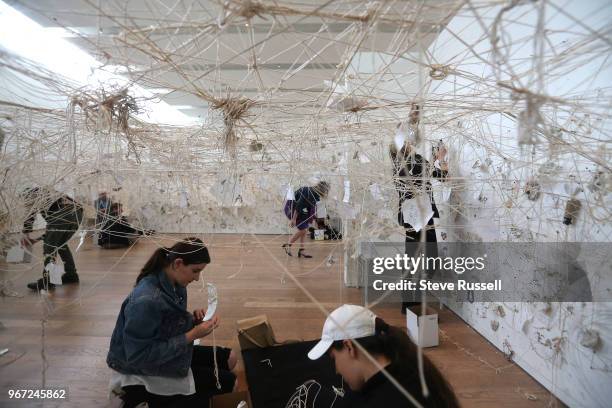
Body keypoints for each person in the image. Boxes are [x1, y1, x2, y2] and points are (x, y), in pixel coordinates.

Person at [106, 237, 237, 408]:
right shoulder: (145, 301)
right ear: (178, 263)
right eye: (195, 271)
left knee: (230, 359)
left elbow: (165, 323)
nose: (197, 278)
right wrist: (192, 334)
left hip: (163, 351)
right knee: (229, 383)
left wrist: (193, 321)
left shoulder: (175, 283)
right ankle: (138, 397)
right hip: (138, 368)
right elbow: (138, 357)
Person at [308, 304, 459, 408]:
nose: (336, 371)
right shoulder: (409, 368)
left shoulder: (385, 400)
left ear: (349, 347)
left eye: (334, 358)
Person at [391, 104, 449, 312]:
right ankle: (410, 302)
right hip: (418, 214)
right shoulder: (407, 159)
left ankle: (410, 301)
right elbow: (441, 176)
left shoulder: (404, 159)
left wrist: (435, 160)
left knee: (416, 257)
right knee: (424, 257)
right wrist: (441, 160)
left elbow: (426, 175)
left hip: (415, 213)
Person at [21, 187, 84, 291]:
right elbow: (52, 234)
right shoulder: (48, 195)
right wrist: (35, 240)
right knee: (61, 244)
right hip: (77, 212)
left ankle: (48, 281)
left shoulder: (34, 196)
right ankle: (71, 275)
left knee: (50, 247)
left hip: (64, 213)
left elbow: (30, 215)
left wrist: (26, 235)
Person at [282, 181, 330, 258]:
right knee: (303, 230)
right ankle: (288, 245)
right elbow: (299, 206)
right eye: (325, 191)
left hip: (300, 211)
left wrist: (315, 219)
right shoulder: (308, 192)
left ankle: (302, 250)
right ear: (321, 189)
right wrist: (293, 219)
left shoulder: (314, 194)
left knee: (304, 229)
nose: (325, 193)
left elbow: (311, 207)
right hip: (291, 209)